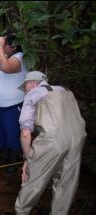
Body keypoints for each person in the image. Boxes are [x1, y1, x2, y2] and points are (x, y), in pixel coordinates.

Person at [15, 71, 86, 214]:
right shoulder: (65, 90)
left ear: (33, 83)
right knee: (66, 184)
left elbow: (25, 132)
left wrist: (27, 159)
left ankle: (21, 211)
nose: (25, 91)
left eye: (26, 87)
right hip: (78, 139)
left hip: (53, 141)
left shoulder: (33, 93)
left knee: (34, 180)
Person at [0, 31, 27, 167]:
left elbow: (7, 67)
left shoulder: (19, 58)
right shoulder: (0, 58)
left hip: (13, 105)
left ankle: (12, 163)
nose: (2, 47)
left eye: (5, 45)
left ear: (14, 46)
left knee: (12, 133)